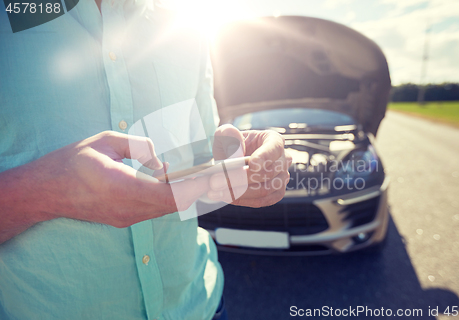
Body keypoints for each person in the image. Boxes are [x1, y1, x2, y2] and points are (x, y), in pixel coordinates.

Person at [0, 1, 291, 319]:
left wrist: (242, 165)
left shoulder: (186, 27)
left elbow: (199, 157)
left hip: (199, 305)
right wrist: (49, 192)